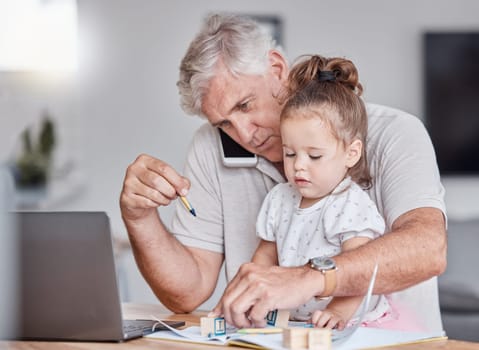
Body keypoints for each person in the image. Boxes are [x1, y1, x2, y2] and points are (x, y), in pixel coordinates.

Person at [120, 13, 446, 331]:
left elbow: (428, 249)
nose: (245, 134)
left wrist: (310, 278)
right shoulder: (210, 146)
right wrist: (139, 218)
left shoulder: (395, 132)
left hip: (394, 339)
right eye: (224, 124)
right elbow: (187, 293)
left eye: (245, 105)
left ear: (276, 68)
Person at [251, 54, 392, 330]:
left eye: (314, 156)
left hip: (351, 323)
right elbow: (264, 260)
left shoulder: (350, 205)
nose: (298, 166)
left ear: (351, 153)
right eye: (290, 153)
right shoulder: (279, 198)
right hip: (300, 324)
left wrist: (338, 312)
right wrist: (251, 295)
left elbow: (360, 271)